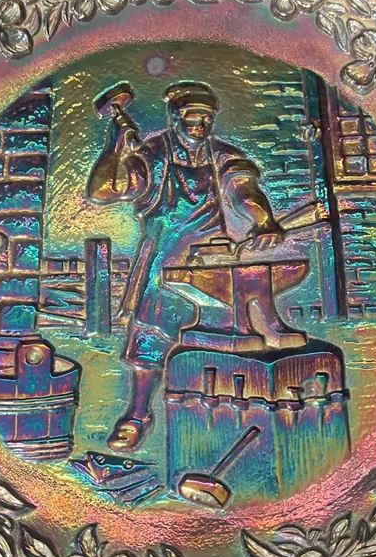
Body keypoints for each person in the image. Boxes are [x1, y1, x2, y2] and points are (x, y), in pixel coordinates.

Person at [87, 81, 283, 451]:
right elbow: (101, 192)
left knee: (228, 334)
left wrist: (263, 218)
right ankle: (138, 414)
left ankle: (228, 413)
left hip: (212, 257)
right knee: (150, 340)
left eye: (207, 118)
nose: (200, 124)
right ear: (175, 117)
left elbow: (243, 188)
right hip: (165, 259)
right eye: (193, 117)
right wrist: (115, 145)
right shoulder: (153, 155)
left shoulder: (221, 155)